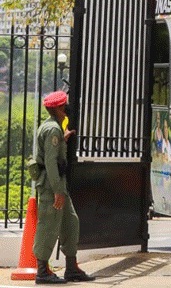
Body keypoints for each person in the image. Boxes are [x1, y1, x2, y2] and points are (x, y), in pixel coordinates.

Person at [32, 91, 94, 284]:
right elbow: (50, 163)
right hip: (52, 186)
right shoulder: (52, 130)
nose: (67, 109)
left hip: (58, 185)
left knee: (71, 223)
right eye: (64, 106)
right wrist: (58, 190)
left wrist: (63, 139)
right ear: (59, 108)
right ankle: (42, 272)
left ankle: (71, 268)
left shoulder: (54, 128)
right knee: (49, 226)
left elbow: (53, 152)